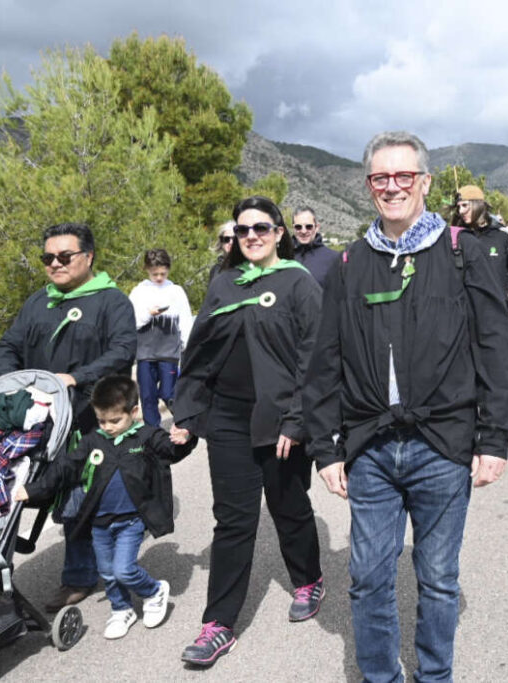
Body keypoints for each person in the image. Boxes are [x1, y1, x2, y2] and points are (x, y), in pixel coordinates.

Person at [305, 131, 508, 682]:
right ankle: (381, 677)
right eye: (382, 177)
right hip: (371, 449)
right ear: (369, 186)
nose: (393, 187)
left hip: (443, 445)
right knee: (369, 580)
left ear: (425, 182)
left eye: (405, 176)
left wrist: (494, 438)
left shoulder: (463, 253)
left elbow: (495, 347)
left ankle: (434, 676)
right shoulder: (350, 264)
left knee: (439, 579)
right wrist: (326, 447)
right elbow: (324, 362)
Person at [172, 195, 325, 667]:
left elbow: (315, 357)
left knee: (289, 507)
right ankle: (218, 623)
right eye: (243, 230)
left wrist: (298, 419)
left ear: (280, 233)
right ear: (234, 238)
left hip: (280, 422)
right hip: (228, 420)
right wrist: (187, 413)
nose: (252, 236)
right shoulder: (224, 284)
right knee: (233, 521)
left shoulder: (299, 284)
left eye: (262, 227)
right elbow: (200, 352)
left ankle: (309, 578)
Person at [0, 222, 136, 611]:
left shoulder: (112, 302)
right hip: (37, 420)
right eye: (48, 258)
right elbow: (8, 345)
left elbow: (122, 351)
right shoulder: (39, 301)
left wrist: (77, 377)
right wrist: (12, 382)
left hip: (85, 419)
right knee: (7, 495)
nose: (55, 264)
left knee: (78, 501)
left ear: (88, 257)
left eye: (64, 256)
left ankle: (78, 577)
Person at [15, 375, 195, 639]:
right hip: (99, 522)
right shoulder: (92, 441)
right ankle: (121, 609)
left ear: (133, 412)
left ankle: (154, 591)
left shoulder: (144, 436)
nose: (108, 427)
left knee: (124, 569)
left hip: (131, 520)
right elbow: (66, 468)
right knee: (108, 573)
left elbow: (170, 450)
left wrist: (184, 440)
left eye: (115, 420)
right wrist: (33, 490)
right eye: (102, 421)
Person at [128, 248, 193, 427]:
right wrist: (149, 314)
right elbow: (132, 321)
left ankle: (183, 423)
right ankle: (152, 432)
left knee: (169, 393)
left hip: (169, 352)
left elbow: (185, 321)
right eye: (155, 273)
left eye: (163, 273)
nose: (159, 277)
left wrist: (187, 346)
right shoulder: (139, 292)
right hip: (145, 353)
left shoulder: (176, 291)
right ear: (146, 270)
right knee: (147, 396)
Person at [449, 185, 508, 312]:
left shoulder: (503, 236)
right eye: (458, 207)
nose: (460, 211)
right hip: (463, 315)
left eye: (465, 205)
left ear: (479, 205)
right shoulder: (455, 237)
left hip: (496, 314)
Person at [291, 206, 338, 287]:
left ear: (317, 227)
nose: (303, 231)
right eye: (298, 227)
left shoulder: (334, 259)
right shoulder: (283, 257)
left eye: (308, 227)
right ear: (293, 228)